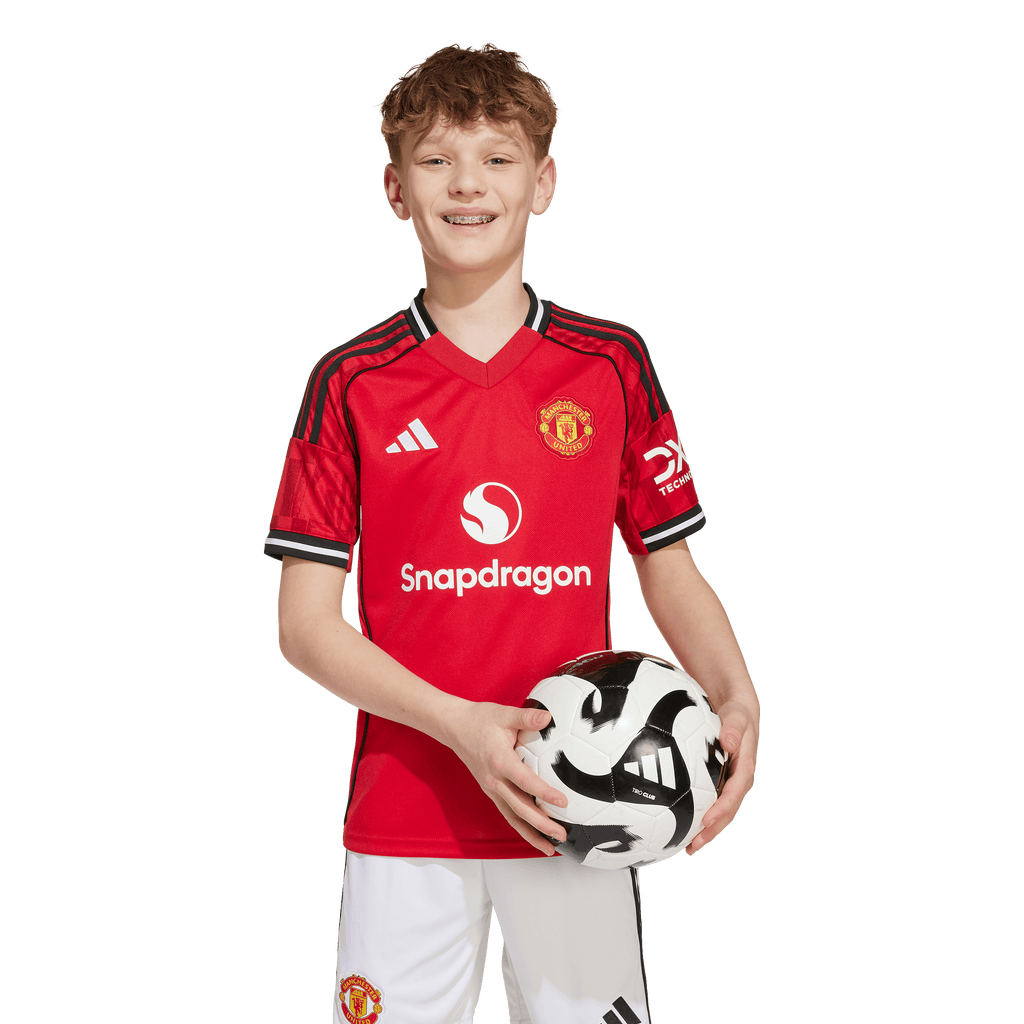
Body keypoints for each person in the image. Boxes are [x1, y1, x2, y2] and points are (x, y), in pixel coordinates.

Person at [262, 40, 760, 1024]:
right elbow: (304, 625)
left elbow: (668, 565)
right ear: (395, 190)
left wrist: (736, 696)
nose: (467, 183)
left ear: (544, 182)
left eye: (496, 157)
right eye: (436, 159)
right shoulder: (350, 381)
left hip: (584, 809)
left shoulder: (610, 364)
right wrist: (460, 726)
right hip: (408, 816)